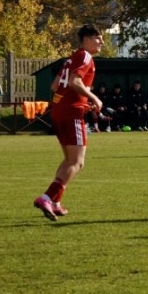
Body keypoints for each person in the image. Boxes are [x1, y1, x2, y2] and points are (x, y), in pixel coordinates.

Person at [33, 24, 104, 221]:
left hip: (60, 111)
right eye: (98, 38)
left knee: (68, 159)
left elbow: (55, 86)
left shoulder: (71, 58)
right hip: (72, 114)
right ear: (87, 39)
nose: (102, 42)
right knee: (77, 162)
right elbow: (74, 82)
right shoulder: (85, 57)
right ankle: (46, 197)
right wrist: (94, 98)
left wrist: (82, 101)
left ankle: (55, 202)